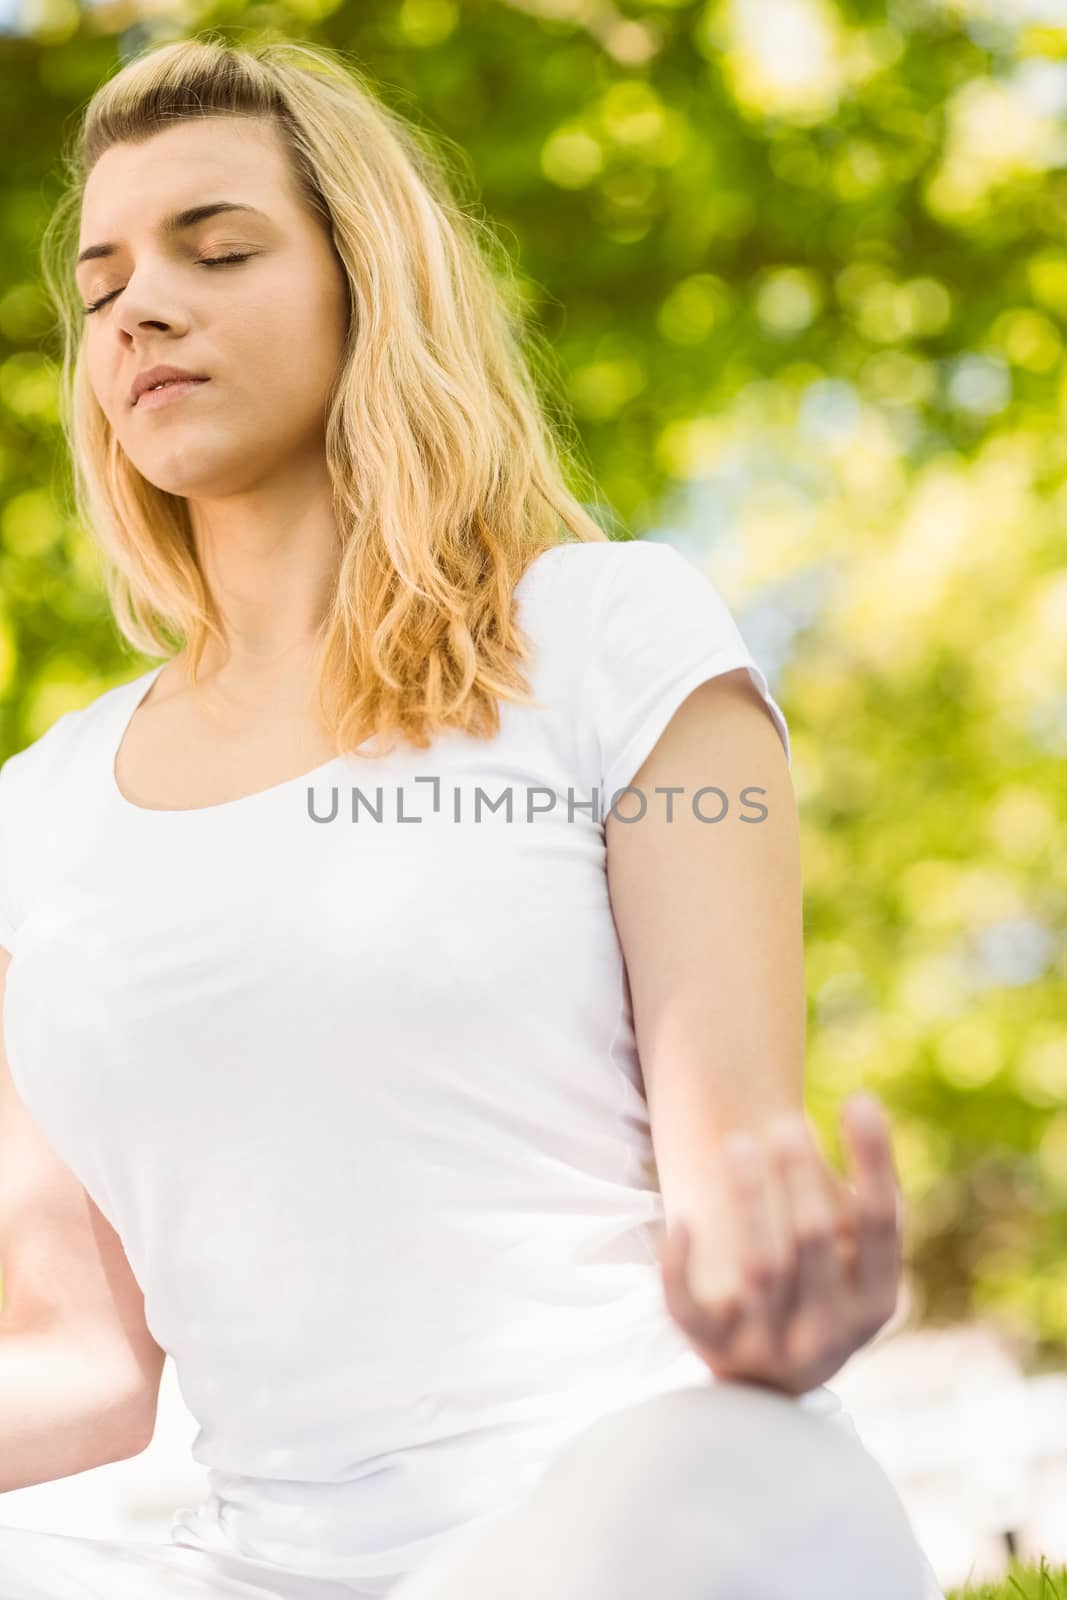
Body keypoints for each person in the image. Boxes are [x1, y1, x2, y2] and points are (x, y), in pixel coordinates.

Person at [0, 34, 945, 1600]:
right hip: (263, 1567)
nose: (140, 308)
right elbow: (76, 1360)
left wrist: (783, 1307)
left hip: (649, 1500)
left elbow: (733, 1203)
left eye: (217, 249)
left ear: (366, 283)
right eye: (101, 290)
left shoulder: (609, 638)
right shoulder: (33, 817)